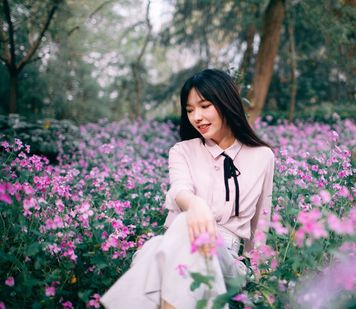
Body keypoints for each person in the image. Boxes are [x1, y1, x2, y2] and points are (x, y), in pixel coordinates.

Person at [100, 69, 275, 308]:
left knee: (159, 245)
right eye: (190, 110)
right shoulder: (182, 151)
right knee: (167, 238)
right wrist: (194, 205)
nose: (197, 117)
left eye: (204, 106)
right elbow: (179, 189)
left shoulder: (262, 156)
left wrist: (263, 285)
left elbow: (261, 224)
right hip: (178, 246)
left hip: (227, 261)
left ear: (226, 103)